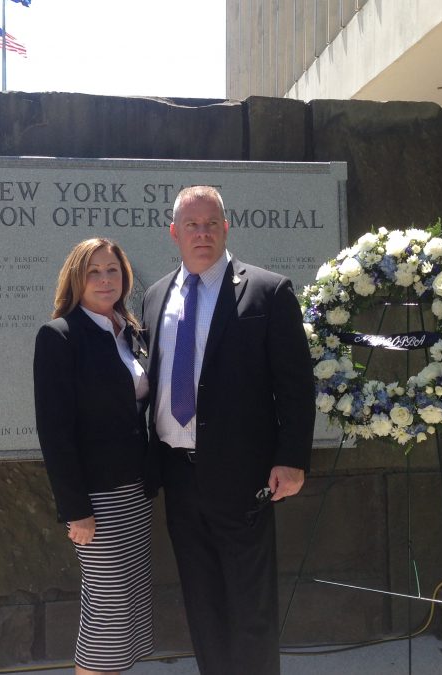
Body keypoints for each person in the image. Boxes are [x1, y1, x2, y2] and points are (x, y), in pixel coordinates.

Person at [141, 186, 316, 675]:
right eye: (192, 225)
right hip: (178, 477)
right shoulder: (156, 297)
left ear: (226, 227)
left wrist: (293, 458)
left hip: (245, 479)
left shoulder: (267, 290)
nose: (202, 233)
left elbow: (296, 385)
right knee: (203, 603)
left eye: (211, 223)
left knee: (251, 607)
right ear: (174, 233)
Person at [33, 238, 155, 675]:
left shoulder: (132, 331)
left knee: (128, 605)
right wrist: (76, 511)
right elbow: (55, 432)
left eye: (113, 271)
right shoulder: (60, 336)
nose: (105, 280)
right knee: (109, 606)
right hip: (94, 498)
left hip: (134, 491)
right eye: (94, 272)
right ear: (76, 279)